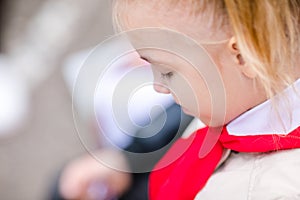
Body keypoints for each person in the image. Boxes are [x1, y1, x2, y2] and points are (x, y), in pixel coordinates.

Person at [112, 0, 300, 199]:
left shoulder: (274, 192)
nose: (158, 86)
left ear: (245, 56)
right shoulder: (232, 101)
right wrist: (127, 160)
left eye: (167, 71)